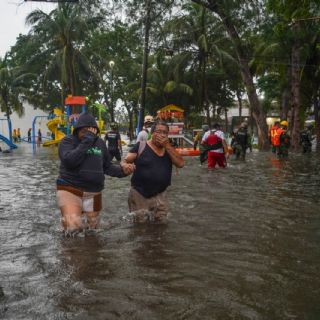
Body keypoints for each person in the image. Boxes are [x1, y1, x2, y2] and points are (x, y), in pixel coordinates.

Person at [56, 112, 135, 235]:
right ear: (77, 129)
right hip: (69, 188)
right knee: (73, 228)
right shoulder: (67, 141)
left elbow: (107, 167)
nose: (87, 133)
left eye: (90, 130)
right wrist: (87, 140)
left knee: (93, 230)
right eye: (84, 130)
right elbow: (70, 161)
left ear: (96, 130)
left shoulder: (100, 143)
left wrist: (122, 171)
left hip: (93, 191)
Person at [122, 120, 184, 223]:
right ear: (152, 133)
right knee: (141, 227)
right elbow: (125, 160)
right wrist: (125, 165)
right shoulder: (141, 146)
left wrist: (167, 146)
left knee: (162, 225)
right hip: (139, 194)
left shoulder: (169, 149)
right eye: (159, 132)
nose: (162, 135)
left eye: (165, 133)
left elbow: (181, 164)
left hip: (161, 195)